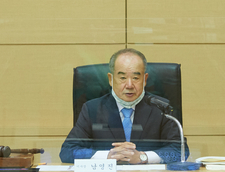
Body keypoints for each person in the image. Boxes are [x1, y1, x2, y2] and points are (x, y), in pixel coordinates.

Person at [59, 48, 189, 164]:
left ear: (145, 79)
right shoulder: (92, 109)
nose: (129, 85)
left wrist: (143, 157)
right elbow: (67, 151)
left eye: (136, 78)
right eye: (122, 78)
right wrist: (108, 156)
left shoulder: (161, 108)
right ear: (110, 79)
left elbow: (180, 150)